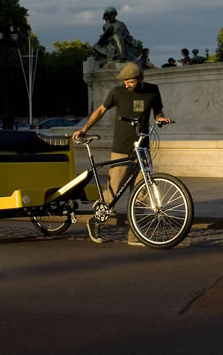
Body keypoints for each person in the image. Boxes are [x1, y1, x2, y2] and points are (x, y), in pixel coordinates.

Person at [72, 63, 172, 244]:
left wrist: (160, 118)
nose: (127, 84)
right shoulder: (117, 92)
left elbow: (157, 110)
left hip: (142, 148)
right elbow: (101, 110)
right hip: (121, 149)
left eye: (130, 81)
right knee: (113, 192)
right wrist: (84, 128)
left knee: (141, 194)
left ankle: (135, 235)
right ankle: (95, 221)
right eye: (125, 81)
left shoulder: (152, 90)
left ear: (141, 79)